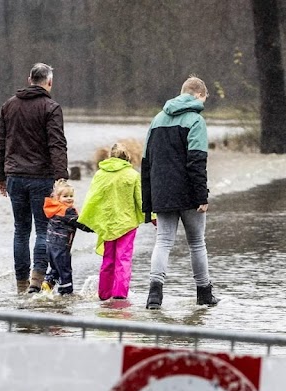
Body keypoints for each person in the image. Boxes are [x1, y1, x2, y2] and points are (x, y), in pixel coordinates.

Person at [141, 75, 220, 310]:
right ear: (198, 94)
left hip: (162, 192)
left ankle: (154, 295)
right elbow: (197, 161)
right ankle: (204, 293)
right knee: (197, 243)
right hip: (188, 193)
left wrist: (148, 203)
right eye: (204, 98)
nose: (204, 103)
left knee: (163, 241)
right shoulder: (196, 120)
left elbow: (146, 163)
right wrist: (201, 196)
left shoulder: (156, 120)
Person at [0, 62, 69, 294]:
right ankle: (37, 281)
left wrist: (1, 176)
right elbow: (57, 144)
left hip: (15, 176)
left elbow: (0, 143)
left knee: (21, 230)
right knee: (43, 229)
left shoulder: (9, 105)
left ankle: (20, 284)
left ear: (29, 80)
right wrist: (61, 178)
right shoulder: (51, 107)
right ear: (49, 82)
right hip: (41, 177)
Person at [78, 142, 145, 301]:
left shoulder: (100, 174)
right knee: (123, 259)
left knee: (108, 260)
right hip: (127, 224)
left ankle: (104, 294)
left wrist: (85, 219)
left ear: (110, 156)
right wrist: (153, 218)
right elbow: (141, 200)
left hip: (107, 224)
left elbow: (92, 198)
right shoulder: (133, 175)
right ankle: (120, 295)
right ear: (127, 157)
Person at [42, 180, 92, 296]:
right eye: (65, 196)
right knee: (65, 269)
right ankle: (66, 292)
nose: (69, 199)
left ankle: (48, 282)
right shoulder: (67, 211)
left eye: (71, 196)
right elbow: (81, 224)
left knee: (56, 267)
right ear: (57, 197)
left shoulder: (54, 208)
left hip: (50, 245)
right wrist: (97, 229)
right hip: (61, 246)